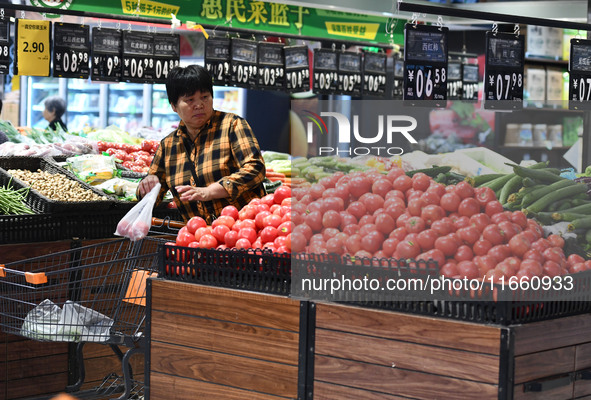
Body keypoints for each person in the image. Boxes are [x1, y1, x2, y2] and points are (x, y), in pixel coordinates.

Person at [137, 64, 266, 224]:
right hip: (200, 238)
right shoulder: (168, 146)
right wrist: (146, 186)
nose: (199, 105)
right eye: (189, 100)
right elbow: (152, 198)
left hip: (245, 229)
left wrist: (212, 191)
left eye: (205, 97)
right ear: (174, 106)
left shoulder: (232, 125)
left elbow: (256, 169)